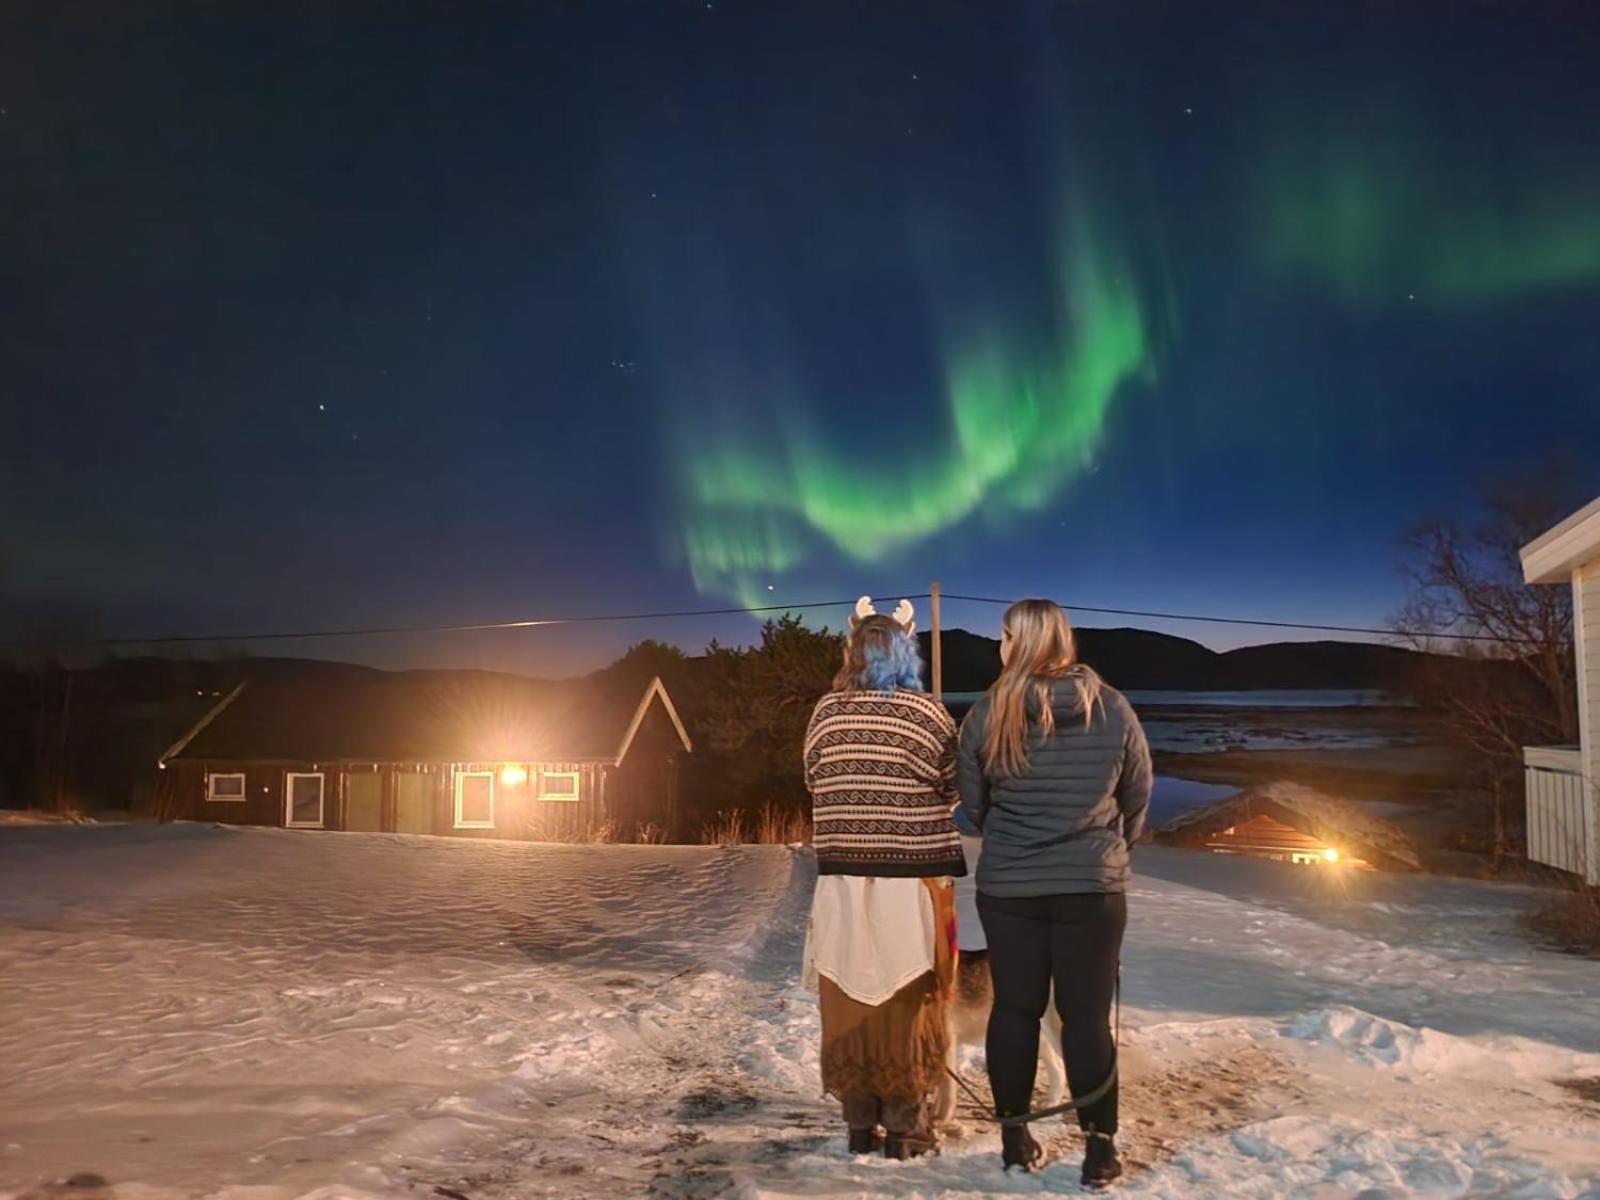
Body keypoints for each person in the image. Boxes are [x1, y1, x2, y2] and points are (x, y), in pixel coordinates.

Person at [956, 598, 1152, 1187]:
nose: (999, 646)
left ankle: (1016, 1139)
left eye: (1003, 637)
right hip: (1091, 889)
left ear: (1016, 642)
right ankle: (1100, 1149)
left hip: (1010, 886)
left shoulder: (989, 713)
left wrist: (1014, 837)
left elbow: (973, 803)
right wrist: (1109, 848)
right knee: (1086, 1018)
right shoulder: (1112, 707)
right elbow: (1138, 794)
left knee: (1014, 1010)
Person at [802, 595, 965, 1159]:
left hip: (842, 880)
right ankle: (905, 1125)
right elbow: (952, 790)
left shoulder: (826, 713)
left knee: (849, 997)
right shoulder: (930, 715)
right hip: (913, 883)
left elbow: (813, 778)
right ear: (906, 654)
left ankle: (857, 1122)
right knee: (908, 999)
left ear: (852, 655)